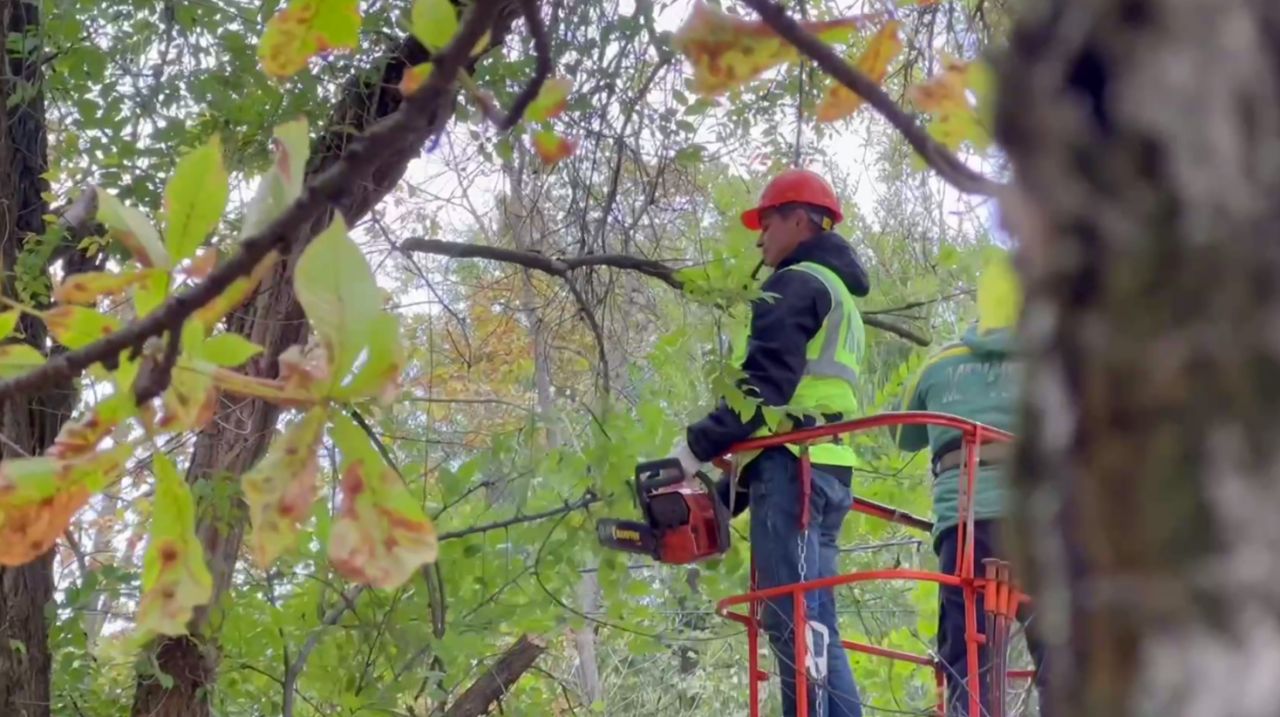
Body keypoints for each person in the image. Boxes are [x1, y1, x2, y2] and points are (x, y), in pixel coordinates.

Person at [666, 168, 870, 717]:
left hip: (795, 471)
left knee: (792, 621)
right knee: (813, 622)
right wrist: (734, 483)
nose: (760, 239)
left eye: (767, 223)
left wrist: (689, 452)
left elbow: (762, 389)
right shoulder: (840, 298)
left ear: (799, 220)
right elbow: (792, 395)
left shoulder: (796, 282)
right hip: (824, 468)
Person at [893, 250, 1050, 716]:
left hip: (966, 527)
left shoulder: (940, 363)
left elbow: (903, 435)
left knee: (968, 653)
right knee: (1059, 652)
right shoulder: (1053, 365)